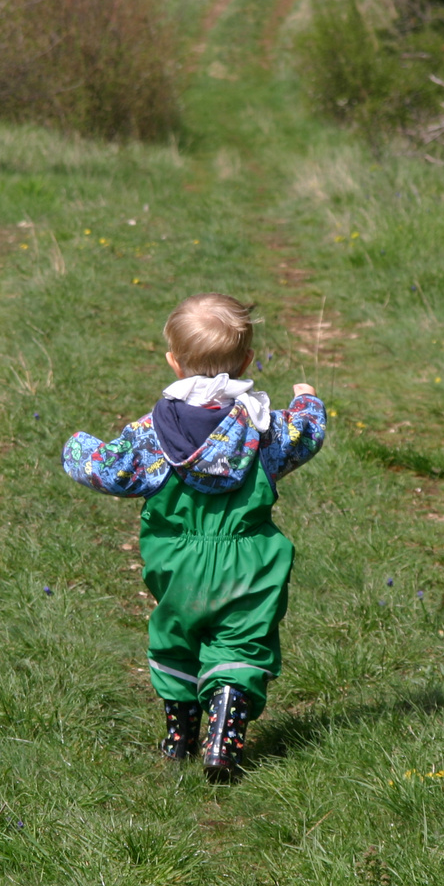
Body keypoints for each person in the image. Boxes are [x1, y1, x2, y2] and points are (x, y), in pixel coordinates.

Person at [61, 293, 326, 780]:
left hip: (176, 560)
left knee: (175, 637)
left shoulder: (151, 434)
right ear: (247, 360)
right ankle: (224, 729)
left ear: (174, 362)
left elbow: (107, 469)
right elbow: (306, 434)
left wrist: (76, 447)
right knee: (242, 645)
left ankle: (178, 734)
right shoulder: (263, 428)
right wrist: (307, 399)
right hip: (249, 559)